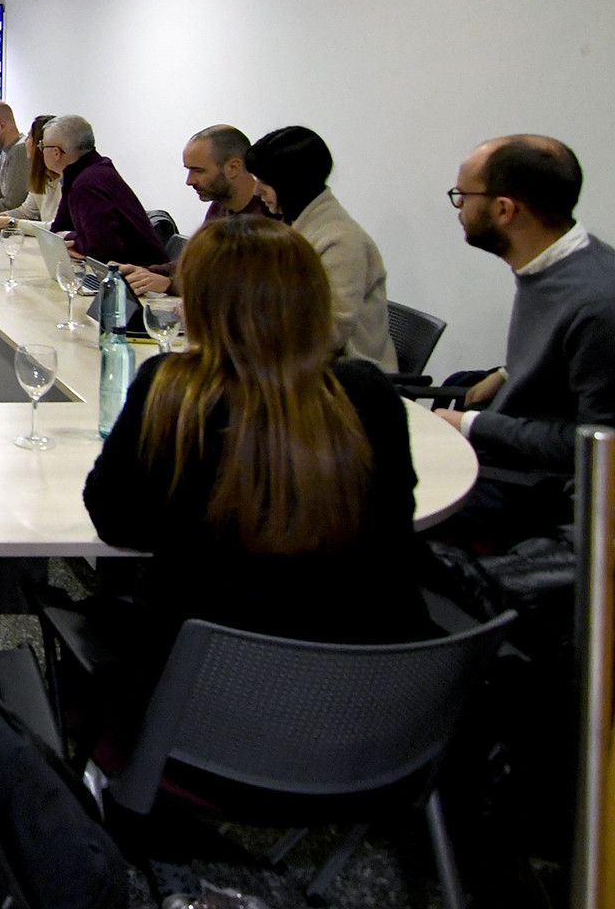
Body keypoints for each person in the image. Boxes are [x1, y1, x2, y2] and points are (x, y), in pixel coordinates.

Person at [80, 215, 431, 903]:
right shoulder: (369, 398)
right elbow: (399, 520)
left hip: (200, 731)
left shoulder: (172, 392)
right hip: (380, 727)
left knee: (85, 618)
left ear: (202, 302)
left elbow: (113, 518)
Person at [439, 135, 615, 534]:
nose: (460, 207)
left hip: (539, 489)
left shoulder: (598, 303)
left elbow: (595, 449)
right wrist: (505, 372)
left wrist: (470, 424)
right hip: (510, 454)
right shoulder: (552, 267)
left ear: (504, 210)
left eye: (462, 195)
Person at [244, 127, 397, 370]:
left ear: (291, 181)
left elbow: (329, 334)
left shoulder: (341, 241)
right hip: (303, 366)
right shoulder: (299, 227)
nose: (256, 190)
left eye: (264, 181)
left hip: (348, 380)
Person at [120, 125, 268, 297]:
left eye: (198, 171)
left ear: (233, 168)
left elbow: (241, 288)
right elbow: (198, 262)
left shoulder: (268, 218)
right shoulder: (219, 208)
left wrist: (170, 284)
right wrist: (144, 273)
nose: (189, 181)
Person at [45, 115, 169, 267]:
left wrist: (70, 239)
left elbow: (101, 251)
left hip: (141, 279)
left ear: (56, 153)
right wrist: (71, 240)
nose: (40, 151)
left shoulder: (88, 184)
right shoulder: (81, 174)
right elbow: (59, 229)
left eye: (42, 146)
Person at [0, 114, 60, 231]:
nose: (25, 141)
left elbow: (57, 227)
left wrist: (10, 222)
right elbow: (26, 212)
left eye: (30, 136)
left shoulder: (66, 182)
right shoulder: (42, 177)